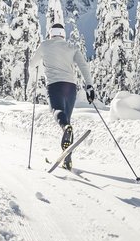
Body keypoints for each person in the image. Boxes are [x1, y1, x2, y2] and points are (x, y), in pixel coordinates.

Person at [29, 23, 95, 170]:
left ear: (51, 33)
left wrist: (39, 62)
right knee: (67, 120)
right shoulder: (71, 47)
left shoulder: (45, 45)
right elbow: (83, 65)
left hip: (54, 86)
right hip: (70, 88)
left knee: (57, 111)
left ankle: (65, 128)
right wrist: (89, 85)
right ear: (63, 34)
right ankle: (67, 161)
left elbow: (32, 64)